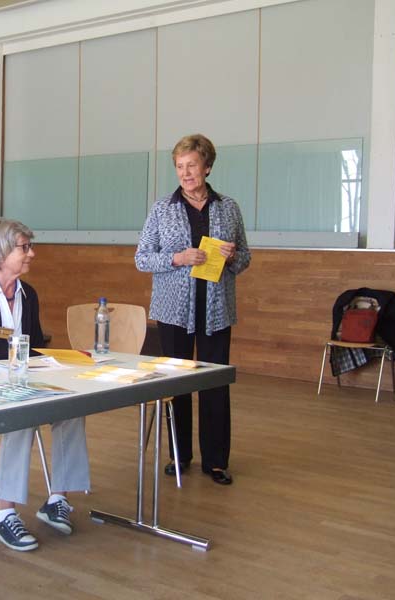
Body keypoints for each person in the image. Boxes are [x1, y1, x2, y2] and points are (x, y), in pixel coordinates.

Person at [0, 218, 91, 551]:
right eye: (24, 248)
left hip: (20, 382)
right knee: (22, 413)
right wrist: (5, 374)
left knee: (73, 407)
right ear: (0, 253)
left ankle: (57, 498)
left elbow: (34, 347)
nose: (32, 254)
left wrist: (61, 363)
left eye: (30, 246)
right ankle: (3, 515)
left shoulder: (28, 294)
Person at [134, 134, 251, 486]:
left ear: (207, 167)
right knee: (177, 384)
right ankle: (178, 454)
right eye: (179, 167)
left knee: (215, 385)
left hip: (216, 311)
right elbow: (142, 258)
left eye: (192, 166)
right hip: (173, 313)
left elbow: (245, 258)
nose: (185, 173)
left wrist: (232, 257)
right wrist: (177, 258)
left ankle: (216, 461)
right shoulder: (162, 209)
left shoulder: (228, 207)